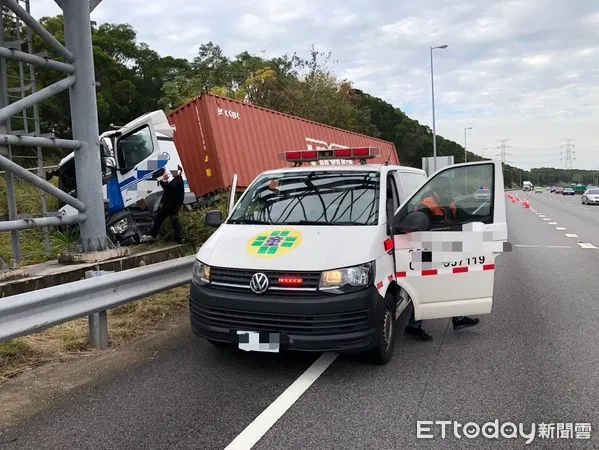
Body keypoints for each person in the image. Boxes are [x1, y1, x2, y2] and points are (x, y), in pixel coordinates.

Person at [403, 175, 480, 341]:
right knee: (425, 289)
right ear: (437, 190)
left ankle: (458, 318)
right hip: (428, 251)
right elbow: (419, 227)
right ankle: (413, 326)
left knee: (452, 283)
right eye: (446, 189)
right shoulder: (426, 205)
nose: (449, 193)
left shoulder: (447, 202)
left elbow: (461, 216)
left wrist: (481, 220)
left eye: (450, 189)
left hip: (444, 249)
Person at [147, 165, 185, 244]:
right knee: (172, 221)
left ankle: (153, 235)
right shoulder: (177, 180)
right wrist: (165, 181)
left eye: (174, 171)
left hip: (171, 206)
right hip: (172, 205)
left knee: (160, 218)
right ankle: (179, 238)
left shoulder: (178, 181)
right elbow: (170, 188)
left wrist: (163, 181)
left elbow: (169, 188)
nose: (172, 172)